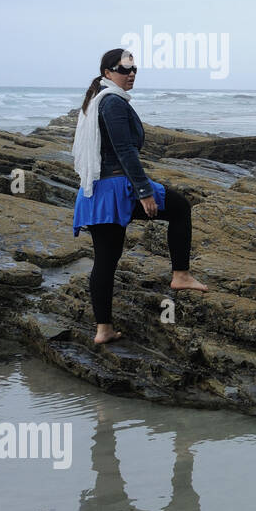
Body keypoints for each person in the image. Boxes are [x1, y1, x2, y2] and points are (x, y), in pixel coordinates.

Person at [72, 49, 207, 345]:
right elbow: (125, 151)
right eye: (123, 69)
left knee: (106, 260)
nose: (130, 74)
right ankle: (181, 275)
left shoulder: (99, 100)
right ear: (108, 72)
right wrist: (144, 191)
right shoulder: (112, 103)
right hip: (116, 188)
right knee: (181, 207)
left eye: (134, 70)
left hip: (94, 191)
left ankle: (103, 330)